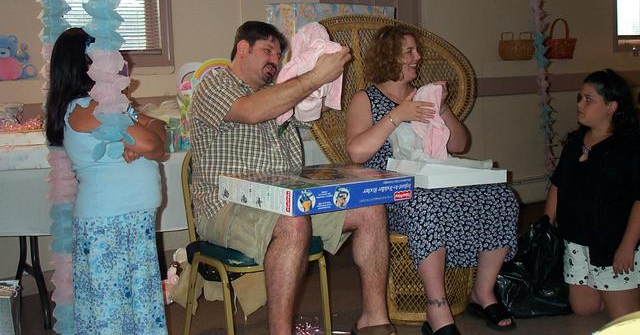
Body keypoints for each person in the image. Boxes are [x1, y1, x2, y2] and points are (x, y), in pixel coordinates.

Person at [189, 21, 396, 335]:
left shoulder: (280, 92)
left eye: (279, 53)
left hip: (285, 200)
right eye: (267, 50)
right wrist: (314, 77)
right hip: (225, 207)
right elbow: (252, 111)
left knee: (370, 208)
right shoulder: (215, 82)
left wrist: (313, 80)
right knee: (293, 221)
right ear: (242, 49)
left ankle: (374, 318)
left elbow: (306, 113)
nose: (275, 59)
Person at [345, 25, 519, 335]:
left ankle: (483, 292)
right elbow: (357, 152)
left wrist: (442, 107)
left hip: (435, 182)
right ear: (388, 57)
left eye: (416, 51)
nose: (418, 57)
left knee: (501, 196)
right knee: (426, 203)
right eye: (409, 51)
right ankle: (437, 306)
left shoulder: (423, 95)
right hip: (391, 193)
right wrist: (398, 115)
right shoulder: (366, 99)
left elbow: (459, 144)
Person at [45, 27, 168, 334]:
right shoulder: (88, 107)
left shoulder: (109, 104)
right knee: (112, 312)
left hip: (128, 221)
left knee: (135, 306)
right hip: (110, 225)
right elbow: (152, 143)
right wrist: (146, 143)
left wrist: (145, 142)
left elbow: (158, 129)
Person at [544, 69, 640, 320]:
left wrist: (627, 247)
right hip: (576, 240)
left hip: (611, 242)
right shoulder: (576, 142)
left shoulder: (629, 147)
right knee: (583, 308)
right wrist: (546, 225)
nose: (579, 105)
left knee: (625, 321)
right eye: (580, 98)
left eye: (588, 99)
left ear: (611, 106)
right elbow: (558, 184)